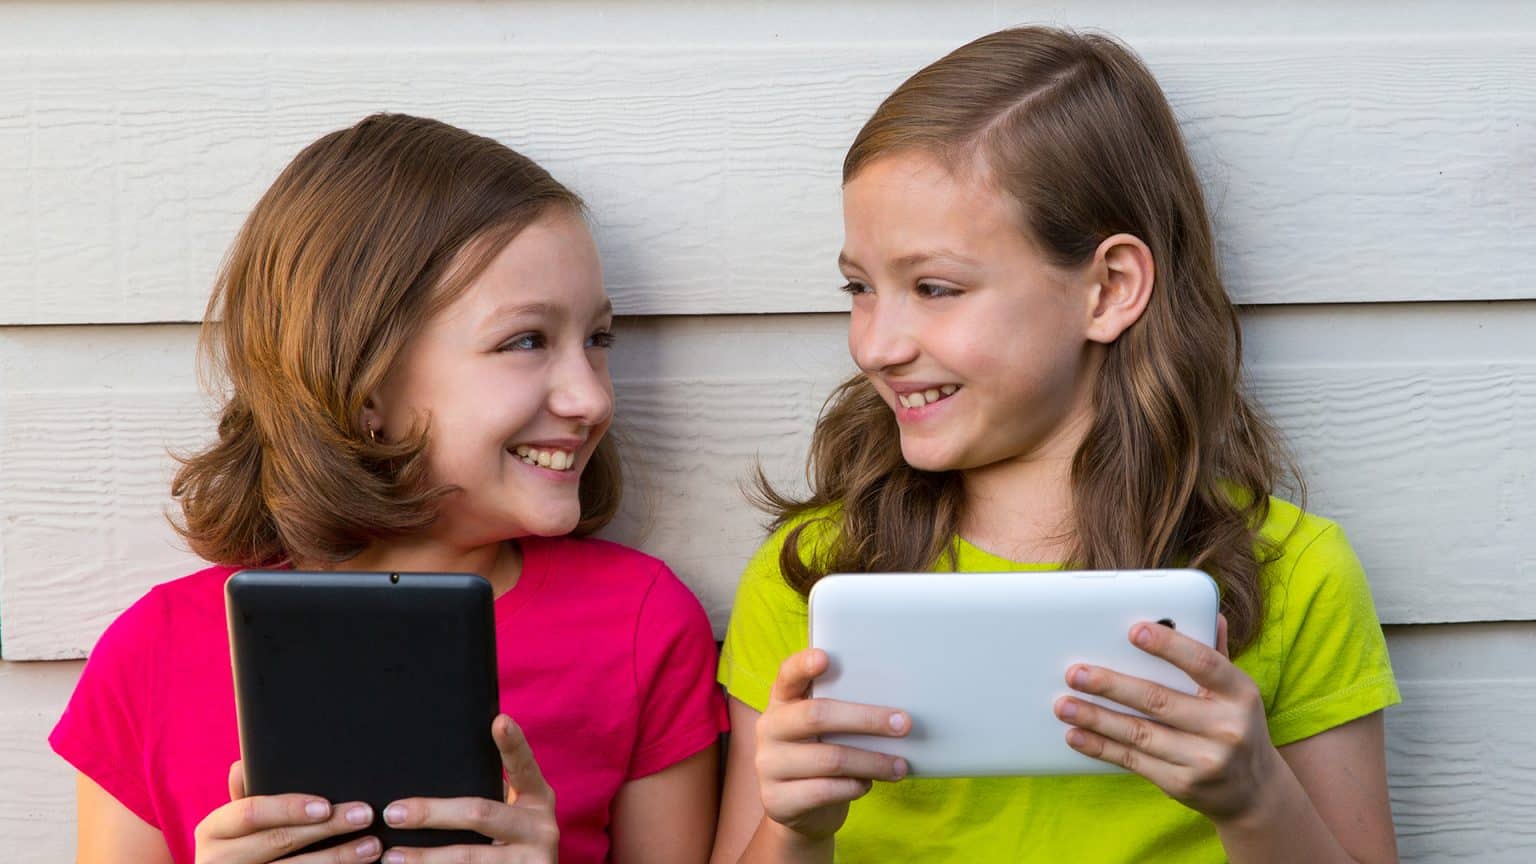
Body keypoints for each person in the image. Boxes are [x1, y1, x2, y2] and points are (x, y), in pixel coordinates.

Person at [711, 27, 1400, 864]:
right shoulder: (815, 571)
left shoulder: (1295, 573)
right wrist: (793, 827)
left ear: (1109, 290)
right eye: (860, 288)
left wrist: (1253, 799)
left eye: (935, 287)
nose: (877, 344)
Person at [51, 113, 727, 864]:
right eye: (526, 341)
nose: (591, 399)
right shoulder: (154, 657)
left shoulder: (639, 625)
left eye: (597, 340)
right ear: (365, 387)